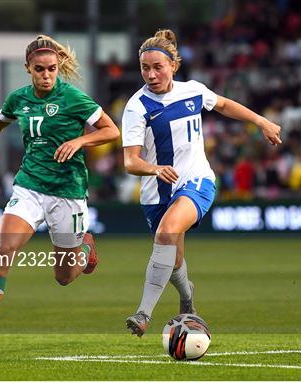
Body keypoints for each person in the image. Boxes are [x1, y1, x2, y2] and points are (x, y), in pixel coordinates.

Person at [0, 35, 120, 348]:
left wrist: (79, 141)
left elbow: (112, 130)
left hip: (67, 192)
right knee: (5, 249)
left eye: (52, 69)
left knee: (64, 277)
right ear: (28, 69)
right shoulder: (18, 99)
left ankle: (85, 250)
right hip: (29, 186)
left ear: (58, 69)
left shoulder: (73, 97)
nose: (46, 75)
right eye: (40, 69)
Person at [121, 29, 282, 337]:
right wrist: (154, 169)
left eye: (158, 67)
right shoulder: (136, 107)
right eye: (145, 68)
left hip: (197, 181)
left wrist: (261, 121)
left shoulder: (193, 90)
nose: (151, 74)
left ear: (174, 66)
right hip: (157, 193)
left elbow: (222, 105)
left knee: (167, 232)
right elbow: (131, 162)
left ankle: (143, 314)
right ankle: (187, 296)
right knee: (173, 259)